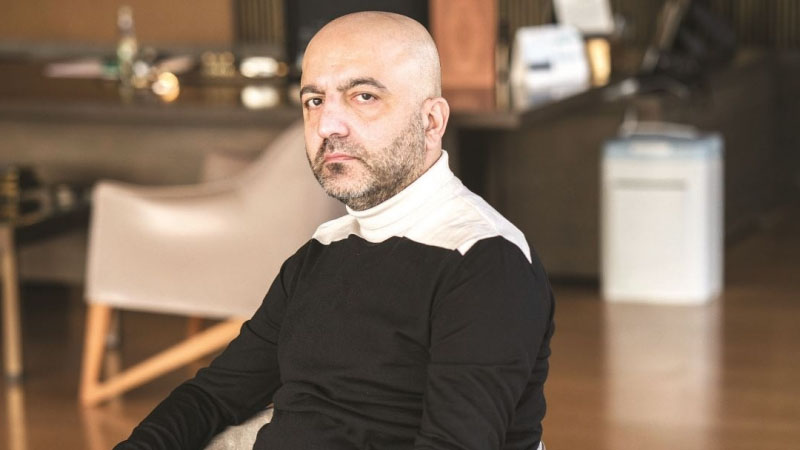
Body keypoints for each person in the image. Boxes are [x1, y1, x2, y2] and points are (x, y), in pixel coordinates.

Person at [116, 11, 554, 450]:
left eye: (363, 96)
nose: (328, 125)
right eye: (314, 101)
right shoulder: (324, 250)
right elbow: (213, 396)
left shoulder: (485, 262)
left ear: (431, 122)